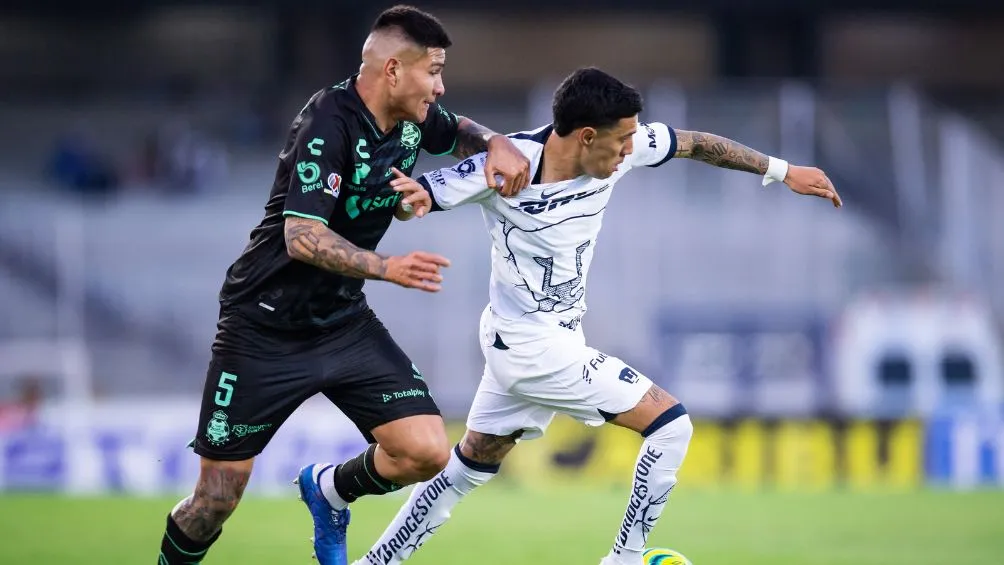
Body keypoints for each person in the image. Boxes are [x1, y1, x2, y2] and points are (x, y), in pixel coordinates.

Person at [356, 67, 842, 565]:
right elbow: (413, 195)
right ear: (587, 136)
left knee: (471, 466)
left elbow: (694, 143)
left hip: (532, 339)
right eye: (623, 140)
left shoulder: (620, 148)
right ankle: (625, 559)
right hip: (531, 347)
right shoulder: (507, 166)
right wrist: (402, 200)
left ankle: (375, 562)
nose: (632, 149)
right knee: (671, 425)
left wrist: (782, 171)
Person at [155, 6, 531, 565]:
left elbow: (458, 131)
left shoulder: (413, 116)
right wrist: (387, 267)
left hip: (340, 321)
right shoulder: (328, 121)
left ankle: (328, 490)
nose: (441, 85)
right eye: (434, 71)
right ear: (394, 71)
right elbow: (301, 237)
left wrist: (496, 141)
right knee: (215, 498)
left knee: (426, 451)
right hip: (263, 325)